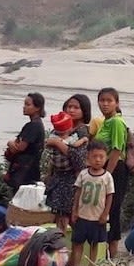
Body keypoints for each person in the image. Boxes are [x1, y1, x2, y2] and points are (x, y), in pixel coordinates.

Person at [68, 140, 114, 266]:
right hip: (82, 215)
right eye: (95, 156)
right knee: (78, 242)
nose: (98, 160)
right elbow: (77, 193)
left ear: (106, 158)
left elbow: (110, 196)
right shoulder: (83, 174)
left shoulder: (107, 177)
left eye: (101, 157)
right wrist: (74, 211)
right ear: (88, 157)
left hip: (97, 217)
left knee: (94, 243)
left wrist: (105, 214)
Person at [46, 95, 91, 231]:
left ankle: (70, 248)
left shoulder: (82, 131)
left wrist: (57, 143)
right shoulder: (60, 129)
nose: (71, 110)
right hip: (59, 178)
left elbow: (78, 158)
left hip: (72, 179)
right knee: (60, 216)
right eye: (69, 107)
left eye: (76, 107)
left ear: (84, 111)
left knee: (69, 216)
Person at [94, 87, 130, 258]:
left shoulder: (116, 122)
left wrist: (105, 175)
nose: (105, 104)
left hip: (115, 169)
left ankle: (113, 251)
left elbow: (117, 149)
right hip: (105, 169)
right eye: (102, 101)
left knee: (112, 209)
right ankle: (103, 249)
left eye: (109, 101)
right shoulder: (105, 122)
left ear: (117, 103)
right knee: (103, 208)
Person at [4, 92, 46, 189]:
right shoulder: (37, 124)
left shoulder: (33, 126)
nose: (24, 107)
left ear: (37, 107)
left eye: (28, 105)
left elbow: (19, 148)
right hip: (29, 170)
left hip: (25, 172)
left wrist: (10, 143)